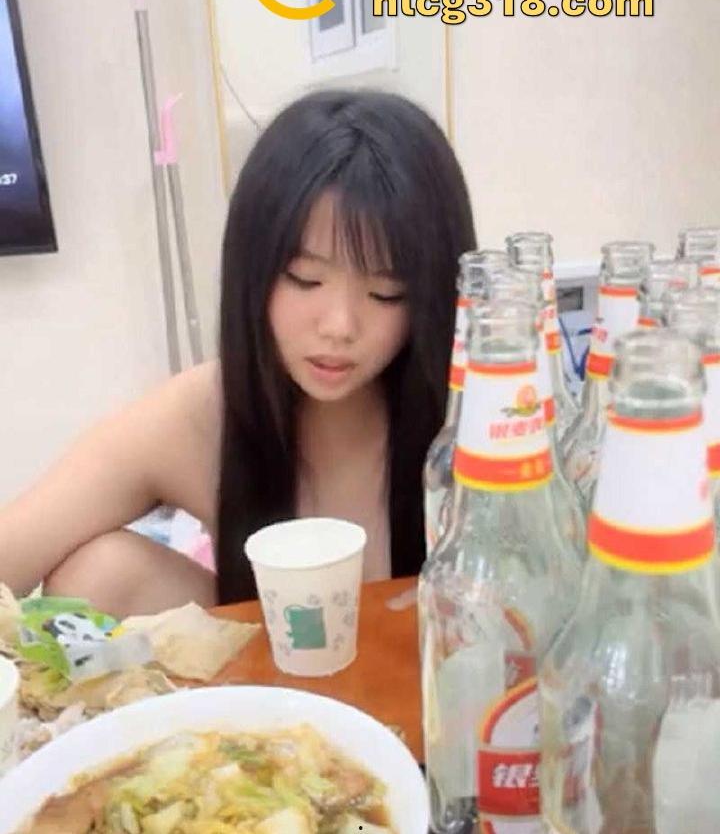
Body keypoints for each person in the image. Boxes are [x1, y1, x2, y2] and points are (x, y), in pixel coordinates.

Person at [0, 89, 476, 616]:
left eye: (386, 292)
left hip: (436, 665)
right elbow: (13, 547)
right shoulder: (199, 414)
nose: (339, 326)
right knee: (100, 574)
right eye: (305, 278)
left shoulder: (485, 417)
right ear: (252, 269)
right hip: (268, 663)